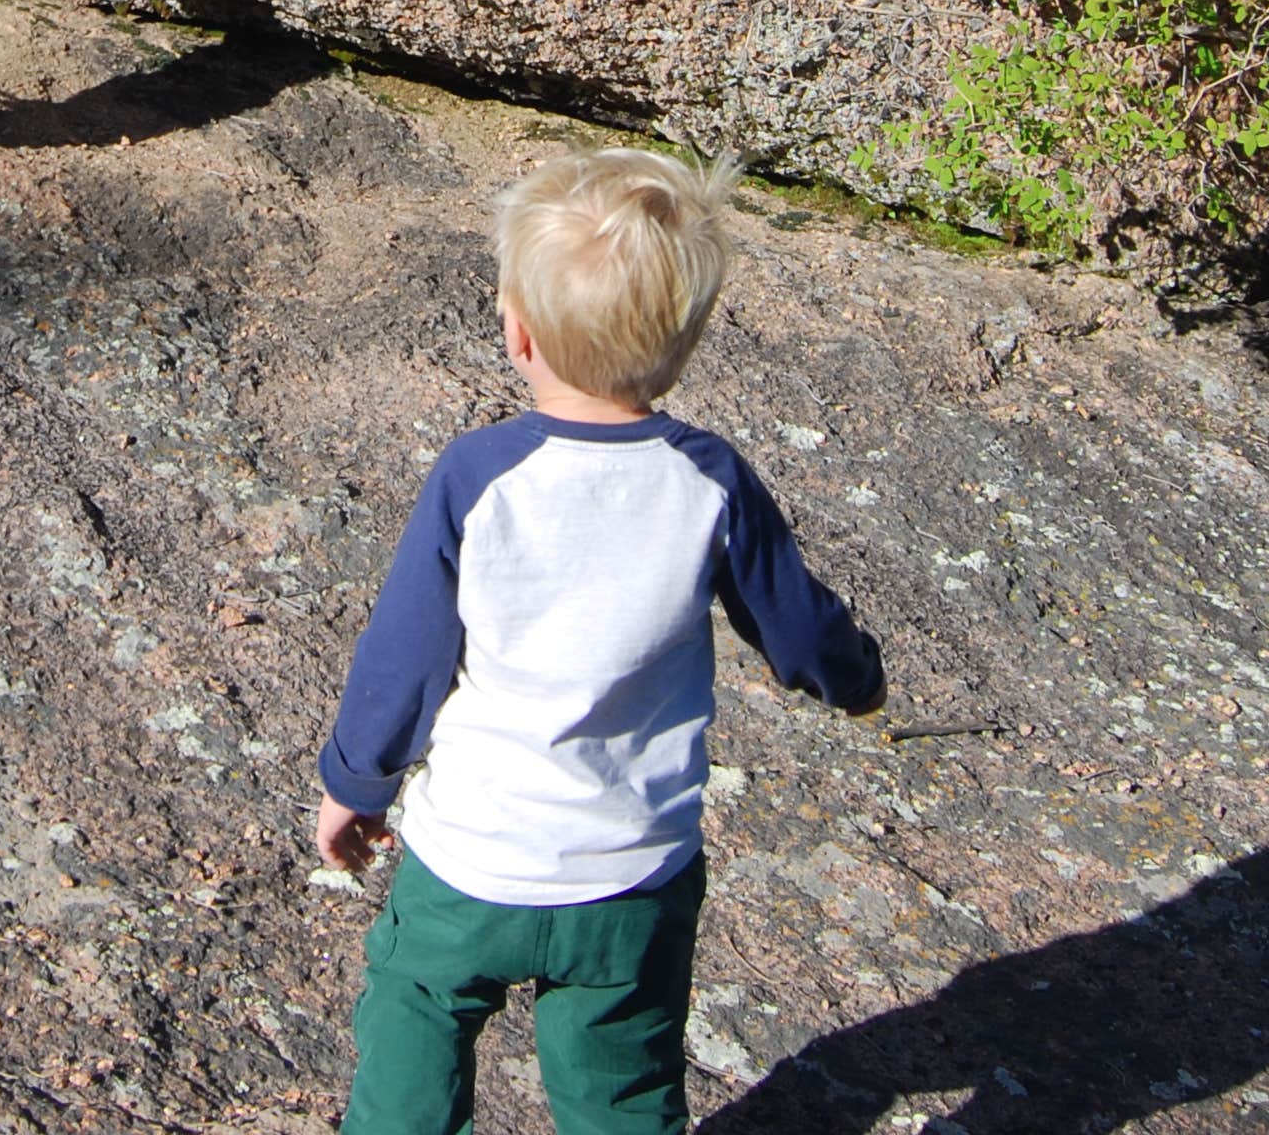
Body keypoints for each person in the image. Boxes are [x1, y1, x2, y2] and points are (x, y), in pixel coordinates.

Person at [313, 148, 884, 1135]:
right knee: (619, 1083)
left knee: (415, 1021)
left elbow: (404, 659)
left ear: (517, 331)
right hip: (632, 873)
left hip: (471, 863)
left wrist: (354, 786)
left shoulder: (476, 476)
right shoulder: (710, 481)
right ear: (683, 339)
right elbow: (798, 632)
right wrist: (857, 681)